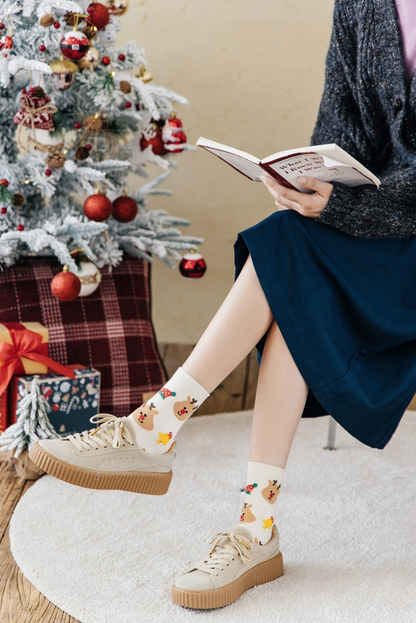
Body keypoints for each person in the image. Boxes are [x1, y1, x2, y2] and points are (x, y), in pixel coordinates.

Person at [29, 0, 416, 610]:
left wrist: (342, 210)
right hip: (373, 227)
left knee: (293, 258)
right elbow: (338, 128)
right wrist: (307, 179)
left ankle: (165, 437)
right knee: (294, 255)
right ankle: (250, 523)